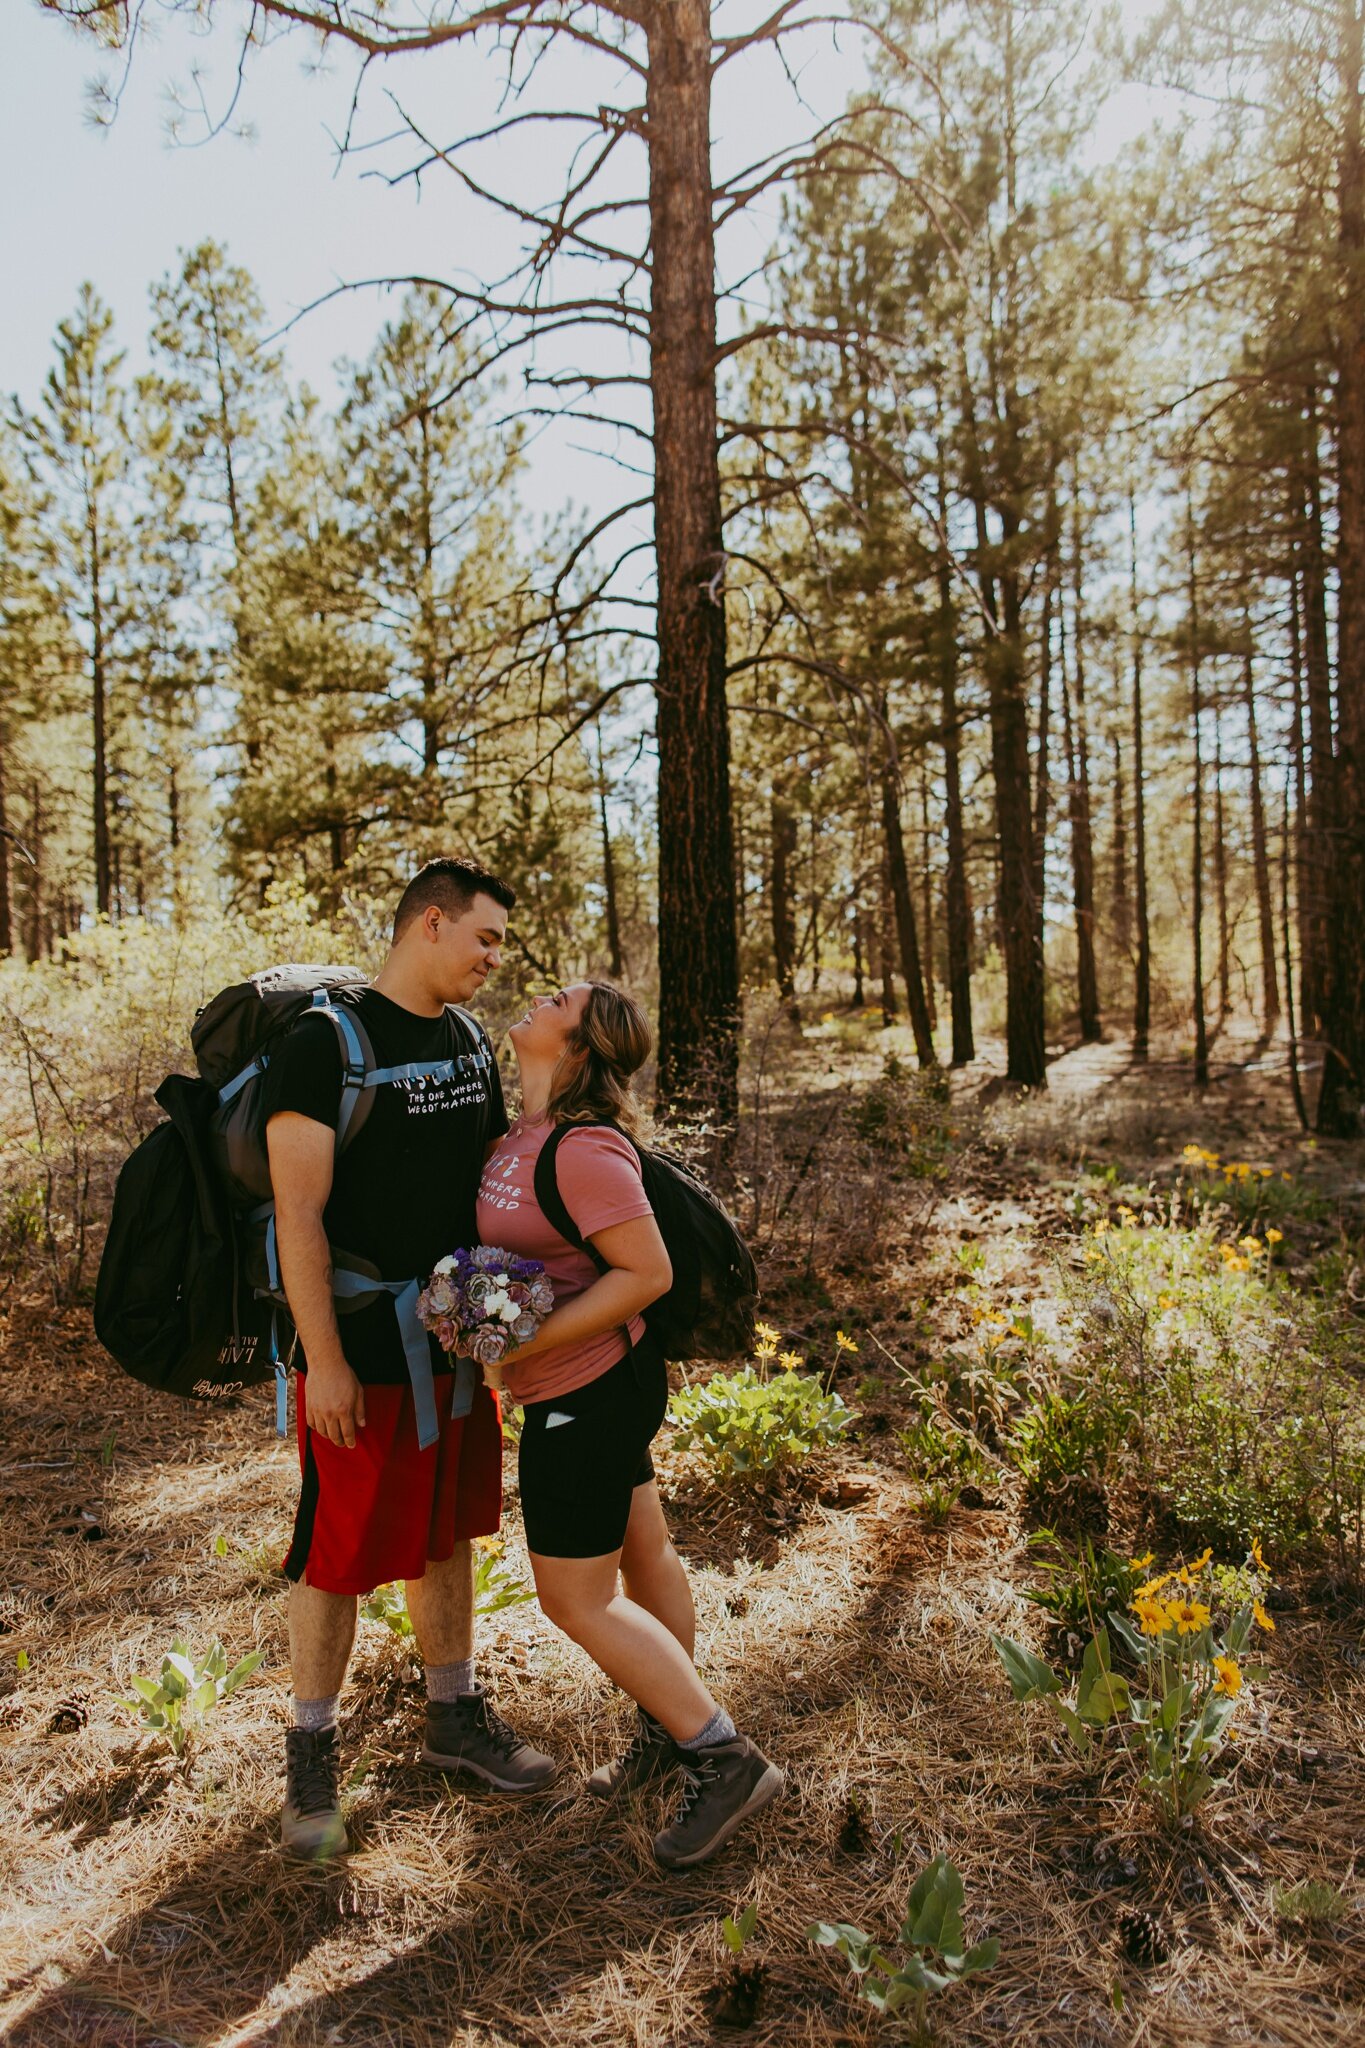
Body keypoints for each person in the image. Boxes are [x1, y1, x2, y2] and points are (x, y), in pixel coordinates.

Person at [264, 857, 558, 1862]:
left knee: (446, 1529)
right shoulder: (322, 1044)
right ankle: (310, 1750)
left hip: (454, 1344)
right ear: (430, 923)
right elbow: (296, 1215)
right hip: (358, 1348)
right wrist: (327, 1359)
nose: (493, 960)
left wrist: (502, 1339)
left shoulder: (469, 1041)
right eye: (485, 938)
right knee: (335, 1550)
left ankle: (453, 1715)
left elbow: (486, 1191)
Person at [478, 981, 784, 1870]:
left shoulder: (581, 1149)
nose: (537, 996)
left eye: (558, 999)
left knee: (575, 1598)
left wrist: (516, 1341)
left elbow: (643, 1273)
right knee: (644, 1550)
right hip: (586, 1386)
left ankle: (721, 1755)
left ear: (578, 1049)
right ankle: (666, 1730)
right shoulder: (521, 1134)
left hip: (589, 1391)